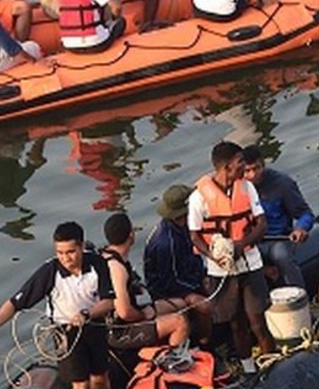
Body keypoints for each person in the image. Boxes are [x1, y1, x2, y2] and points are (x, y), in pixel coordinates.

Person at [0, 222, 115, 389]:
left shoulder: (98, 264)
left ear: (81, 247)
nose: (65, 259)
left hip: (94, 325)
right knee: (80, 385)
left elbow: (109, 301)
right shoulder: (50, 272)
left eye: (71, 252)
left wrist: (86, 314)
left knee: (99, 378)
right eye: (60, 253)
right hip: (66, 332)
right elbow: (16, 301)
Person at [188, 141, 277, 358]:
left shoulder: (246, 187)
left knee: (257, 320)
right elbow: (195, 235)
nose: (244, 167)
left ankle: (271, 361)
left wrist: (241, 244)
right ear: (226, 167)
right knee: (237, 323)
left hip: (250, 262)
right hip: (222, 270)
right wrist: (215, 255)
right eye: (239, 163)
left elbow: (261, 224)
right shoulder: (198, 198)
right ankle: (247, 367)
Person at [100, 213, 191, 349]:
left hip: (127, 317)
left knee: (180, 304)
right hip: (120, 330)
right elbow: (124, 311)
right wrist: (143, 315)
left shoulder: (105, 255)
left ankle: (179, 346)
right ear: (131, 235)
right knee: (179, 321)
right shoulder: (117, 268)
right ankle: (172, 363)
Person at [143, 184, 216, 345]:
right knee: (204, 307)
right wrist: (192, 294)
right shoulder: (166, 243)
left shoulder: (184, 227)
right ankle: (206, 342)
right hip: (168, 290)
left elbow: (193, 256)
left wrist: (203, 276)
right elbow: (170, 280)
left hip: (187, 277)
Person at [242, 145, 316, 288]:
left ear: (263, 165)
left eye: (256, 168)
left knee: (282, 257)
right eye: (247, 171)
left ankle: (299, 296)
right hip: (250, 243)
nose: (252, 175)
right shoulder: (236, 188)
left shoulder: (282, 184)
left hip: (276, 240)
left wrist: (300, 228)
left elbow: (305, 214)